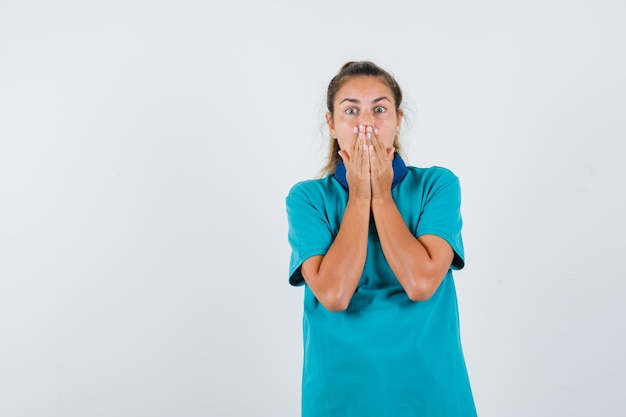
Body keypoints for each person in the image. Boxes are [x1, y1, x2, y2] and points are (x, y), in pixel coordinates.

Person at [286, 61, 477, 417]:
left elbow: (421, 283)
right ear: (331, 124)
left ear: (397, 119)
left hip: (430, 393)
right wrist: (359, 197)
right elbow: (334, 294)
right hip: (341, 395)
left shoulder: (437, 185)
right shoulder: (308, 199)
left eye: (379, 109)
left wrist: (381, 194)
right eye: (351, 111)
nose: (366, 124)